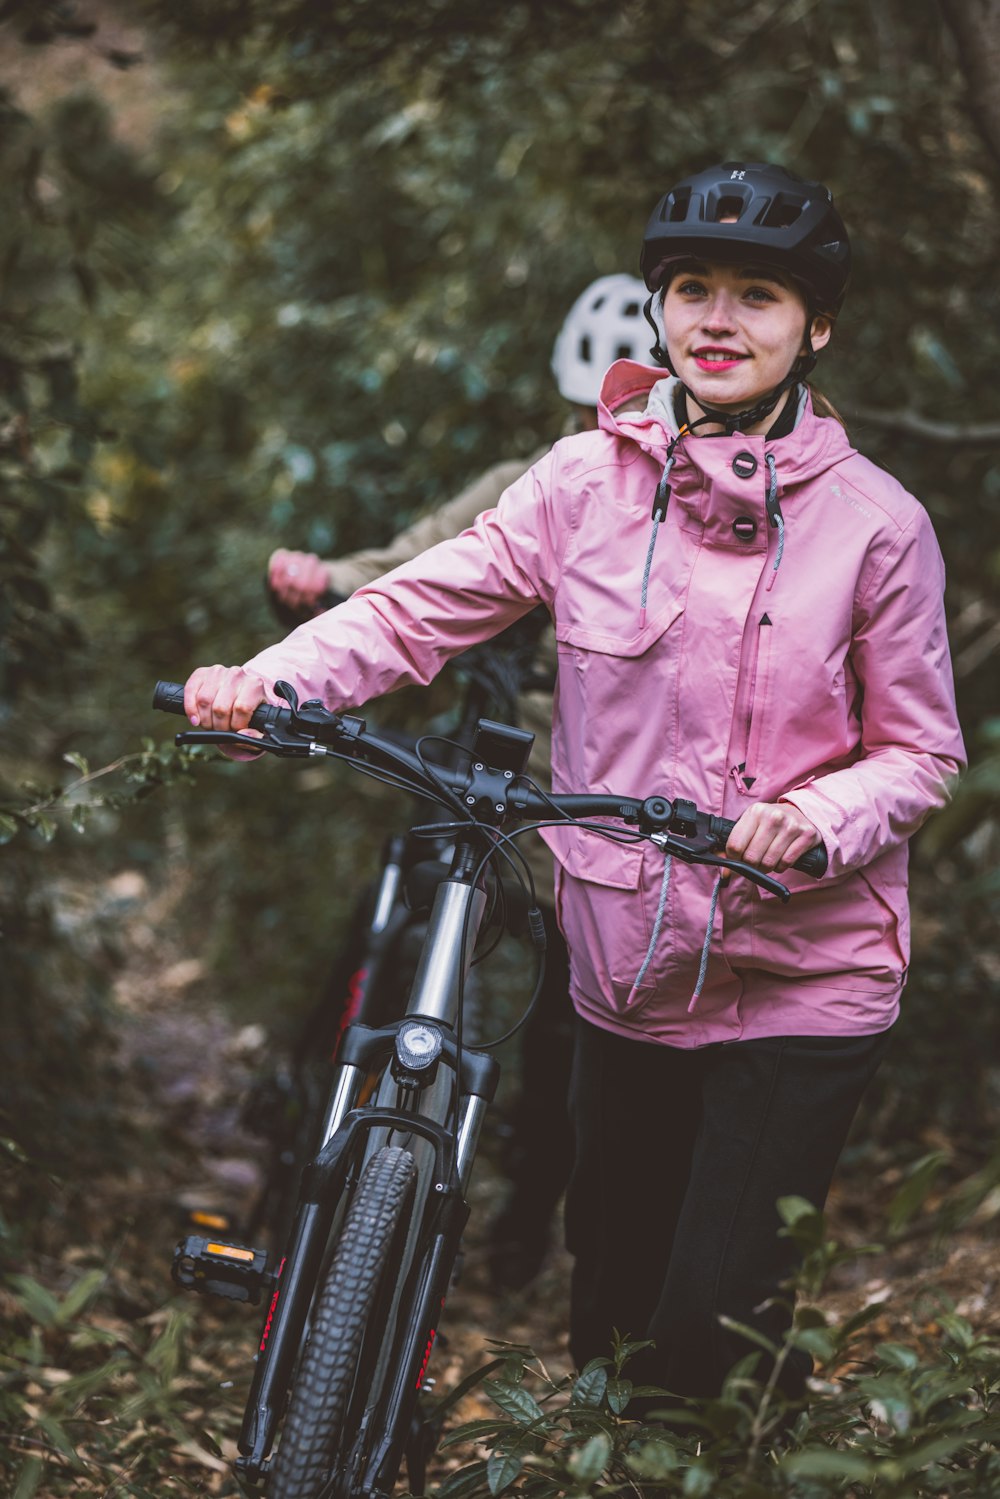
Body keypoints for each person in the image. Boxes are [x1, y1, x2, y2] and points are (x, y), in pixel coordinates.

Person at [184, 162, 965, 1402]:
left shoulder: (877, 526)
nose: (717, 318)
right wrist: (274, 680)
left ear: (815, 327)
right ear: (659, 307)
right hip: (625, 967)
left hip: (804, 974)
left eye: (756, 295)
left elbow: (920, 752)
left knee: (708, 1326)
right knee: (605, 1306)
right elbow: (415, 607)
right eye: (692, 288)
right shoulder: (579, 484)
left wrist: (811, 819)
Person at [266, 274, 653, 1292]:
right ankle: (329, 1103)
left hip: (592, 792)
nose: (600, 426)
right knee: (410, 901)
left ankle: (527, 1208)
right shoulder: (534, 475)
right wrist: (334, 576)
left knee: (571, 1018)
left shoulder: (691, 499)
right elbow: (425, 562)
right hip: (496, 759)